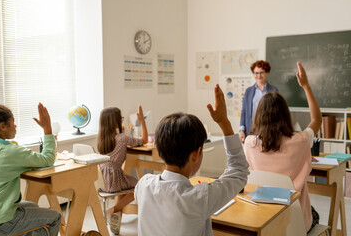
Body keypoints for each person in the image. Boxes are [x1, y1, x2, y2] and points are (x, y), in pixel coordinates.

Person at [134, 84, 249, 236]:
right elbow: (239, 172)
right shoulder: (200, 198)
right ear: (196, 154)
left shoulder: (143, 185)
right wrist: (224, 122)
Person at [244, 62, 322, 233]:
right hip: (296, 224)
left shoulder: (249, 143)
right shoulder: (301, 140)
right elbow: (317, 119)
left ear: (259, 116)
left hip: (262, 221)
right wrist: (306, 86)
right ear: (285, 114)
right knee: (315, 214)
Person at [0, 103, 61, 236]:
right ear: (3, 126)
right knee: (55, 217)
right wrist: (47, 127)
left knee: (32, 206)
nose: (16, 126)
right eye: (13, 122)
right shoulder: (10, 152)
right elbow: (47, 159)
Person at [97, 105, 148, 235]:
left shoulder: (101, 139)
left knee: (125, 184)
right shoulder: (122, 138)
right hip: (114, 180)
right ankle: (114, 209)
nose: (122, 120)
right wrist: (142, 121)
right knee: (139, 186)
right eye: (120, 118)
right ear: (115, 122)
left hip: (102, 179)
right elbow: (144, 140)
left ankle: (116, 217)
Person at [239, 60, 278, 143]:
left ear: (267, 73)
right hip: (250, 131)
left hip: (268, 130)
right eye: (256, 73)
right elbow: (244, 111)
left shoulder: (273, 90)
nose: (258, 75)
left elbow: (277, 113)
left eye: (261, 72)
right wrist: (241, 130)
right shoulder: (248, 91)